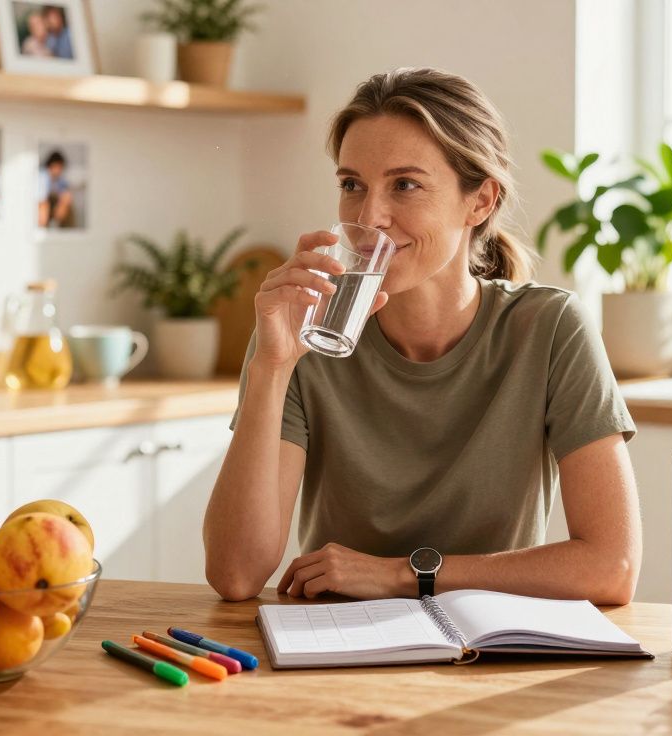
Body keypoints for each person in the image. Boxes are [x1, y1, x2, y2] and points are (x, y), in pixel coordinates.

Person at [204, 68, 641, 605]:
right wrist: (271, 368)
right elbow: (236, 576)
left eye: (404, 185)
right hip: (338, 645)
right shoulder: (304, 331)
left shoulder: (549, 329)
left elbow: (612, 567)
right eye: (351, 185)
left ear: (479, 202)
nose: (369, 217)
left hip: (489, 652)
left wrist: (399, 575)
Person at [37, 150, 74, 228]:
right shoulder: (42, 176)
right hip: (40, 205)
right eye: (58, 167)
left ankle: (55, 225)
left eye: (61, 167)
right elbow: (41, 198)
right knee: (43, 205)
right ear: (51, 166)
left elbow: (65, 193)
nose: (59, 170)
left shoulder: (60, 179)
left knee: (67, 197)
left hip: (52, 208)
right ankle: (42, 228)